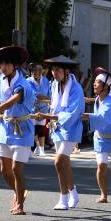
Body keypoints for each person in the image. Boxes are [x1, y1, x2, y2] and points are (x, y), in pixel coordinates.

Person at [0, 45, 38, 215]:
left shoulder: (23, 84)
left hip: (22, 129)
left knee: (16, 169)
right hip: (6, 127)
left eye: (7, 64)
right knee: (4, 170)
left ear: (15, 65)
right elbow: (4, 103)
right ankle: (20, 192)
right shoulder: (0, 80)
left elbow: (11, 102)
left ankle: (20, 204)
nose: (3, 67)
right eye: (1, 64)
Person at [42, 55, 84, 210]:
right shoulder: (54, 85)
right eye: (53, 70)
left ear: (66, 71)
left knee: (59, 161)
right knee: (64, 163)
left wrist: (53, 117)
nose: (54, 73)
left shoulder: (76, 88)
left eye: (58, 70)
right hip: (57, 127)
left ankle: (63, 198)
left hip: (71, 128)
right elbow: (54, 106)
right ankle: (73, 193)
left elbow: (73, 112)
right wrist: (51, 117)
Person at [82, 68, 111, 202]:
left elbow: (100, 117)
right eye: (95, 82)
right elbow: (94, 109)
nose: (94, 84)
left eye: (97, 82)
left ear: (105, 87)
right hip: (100, 138)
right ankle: (103, 194)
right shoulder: (97, 99)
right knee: (101, 165)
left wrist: (79, 115)